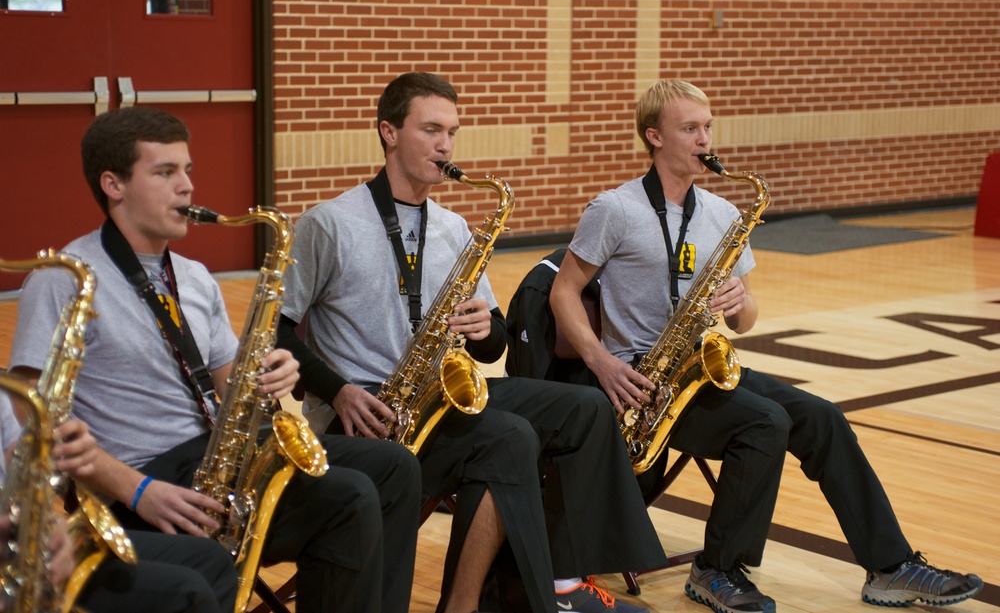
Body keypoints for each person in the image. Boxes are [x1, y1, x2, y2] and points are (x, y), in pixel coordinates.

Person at [548, 78, 984, 613]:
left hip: (701, 370)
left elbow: (747, 320)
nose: (704, 139)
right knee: (763, 423)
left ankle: (891, 566)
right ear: (654, 137)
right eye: (690, 129)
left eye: (707, 127)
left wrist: (738, 303)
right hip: (642, 383)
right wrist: (601, 361)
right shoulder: (614, 209)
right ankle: (718, 569)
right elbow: (563, 291)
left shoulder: (723, 214)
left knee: (822, 416)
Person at [275, 71, 666, 613]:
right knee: (509, 440)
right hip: (365, 409)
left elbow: (492, 348)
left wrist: (486, 327)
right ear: (388, 132)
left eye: (452, 132)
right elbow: (276, 332)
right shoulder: (329, 223)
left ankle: (562, 578)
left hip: (439, 397)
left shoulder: (456, 228)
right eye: (431, 130)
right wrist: (338, 391)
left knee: (584, 407)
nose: (445, 146)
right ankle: (501, 598)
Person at [7, 106, 423, 613]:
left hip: (216, 455)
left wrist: (272, 379)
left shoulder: (195, 276)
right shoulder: (64, 279)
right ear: (113, 184)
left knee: (392, 467)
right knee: (349, 498)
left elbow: (231, 389)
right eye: (165, 173)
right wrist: (139, 491)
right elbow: (32, 416)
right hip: (145, 477)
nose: (186, 187)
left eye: (187, 170)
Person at [0, 384, 238, 613]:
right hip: (13, 572)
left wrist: (45, 516)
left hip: (24, 548)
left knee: (213, 560)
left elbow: (15, 468)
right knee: (188, 594)